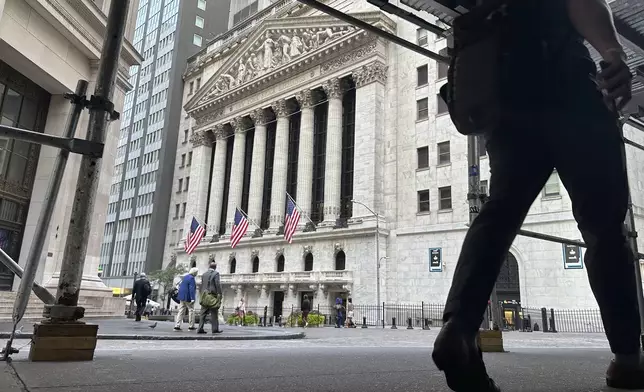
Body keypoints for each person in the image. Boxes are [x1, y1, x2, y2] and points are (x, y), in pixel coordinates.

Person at [432, 1, 638, 391]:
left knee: (499, 213)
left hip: (508, 101)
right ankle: (628, 357)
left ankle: (458, 327)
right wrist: (613, 53)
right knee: (604, 229)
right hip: (569, 90)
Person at [198, 262, 222, 334]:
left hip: (204, 295)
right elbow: (217, 284)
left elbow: (202, 284)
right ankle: (214, 329)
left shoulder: (204, 274)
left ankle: (200, 328)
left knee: (203, 313)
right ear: (215, 267)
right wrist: (219, 293)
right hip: (212, 296)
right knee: (214, 313)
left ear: (209, 266)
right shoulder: (216, 274)